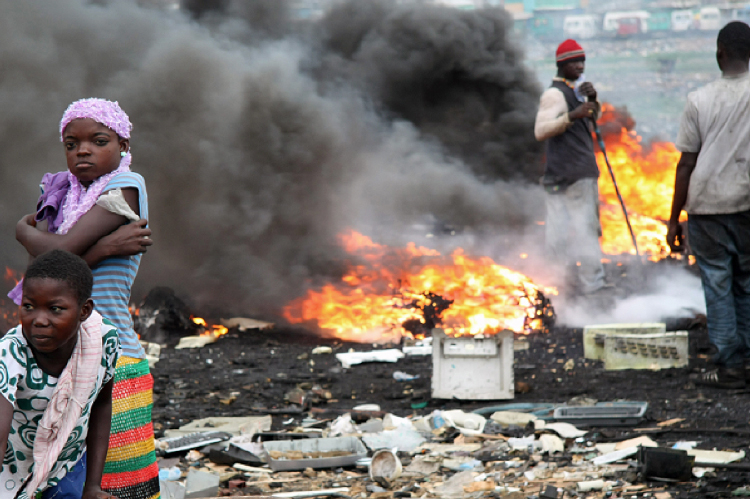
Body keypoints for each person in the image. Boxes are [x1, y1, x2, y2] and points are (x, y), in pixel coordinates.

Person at [12, 98, 160, 498]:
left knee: (120, 482)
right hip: (55, 356)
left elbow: (57, 255)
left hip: (113, 353)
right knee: (56, 480)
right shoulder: (63, 192)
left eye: (99, 140)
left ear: (123, 145)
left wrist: (25, 233)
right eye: (71, 143)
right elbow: (47, 275)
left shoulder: (125, 186)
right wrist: (103, 250)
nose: (83, 151)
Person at [667, 21, 750, 389]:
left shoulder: (699, 100)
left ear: (720, 54)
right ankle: (745, 359)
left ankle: (730, 366)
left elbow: (686, 163)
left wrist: (674, 219)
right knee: (746, 284)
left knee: (717, 284)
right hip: (746, 204)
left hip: (706, 207)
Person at [0, 250, 120, 499]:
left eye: (55, 309)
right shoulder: (11, 352)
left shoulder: (101, 341)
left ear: (84, 311)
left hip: (68, 464)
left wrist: (93, 487)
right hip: (12, 474)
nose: (39, 320)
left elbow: (101, 404)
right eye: (29, 306)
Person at [534, 39, 607, 295]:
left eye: (582, 61)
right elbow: (540, 130)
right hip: (566, 175)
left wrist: (593, 99)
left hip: (577, 173)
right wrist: (571, 116)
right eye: (575, 62)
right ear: (562, 65)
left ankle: (588, 287)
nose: (580, 66)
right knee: (564, 236)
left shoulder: (574, 91)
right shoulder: (554, 95)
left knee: (584, 231)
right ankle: (565, 287)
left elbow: (590, 120)